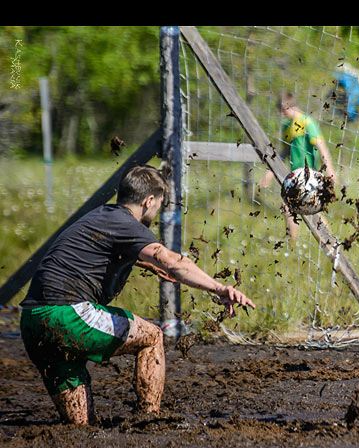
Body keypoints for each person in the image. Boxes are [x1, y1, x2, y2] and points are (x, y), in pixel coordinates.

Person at [19, 165, 256, 425]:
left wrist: (148, 265)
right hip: (69, 316)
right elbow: (173, 261)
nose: (157, 212)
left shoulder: (100, 215)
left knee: (80, 427)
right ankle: (148, 420)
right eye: (159, 205)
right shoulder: (126, 223)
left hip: (33, 322)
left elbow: (97, 254)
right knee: (152, 337)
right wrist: (221, 288)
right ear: (149, 200)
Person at [259, 92, 337, 240]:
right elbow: (283, 152)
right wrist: (270, 173)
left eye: (283, 109)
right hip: (294, 176)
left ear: (292, 106)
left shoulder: (307, 122)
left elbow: (321, 146)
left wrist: (329, 169)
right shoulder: (287, 126)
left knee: (313, 211)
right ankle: (292, 244)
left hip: (309, 175)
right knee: (288, 208)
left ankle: (329, 242)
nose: (282, 113)